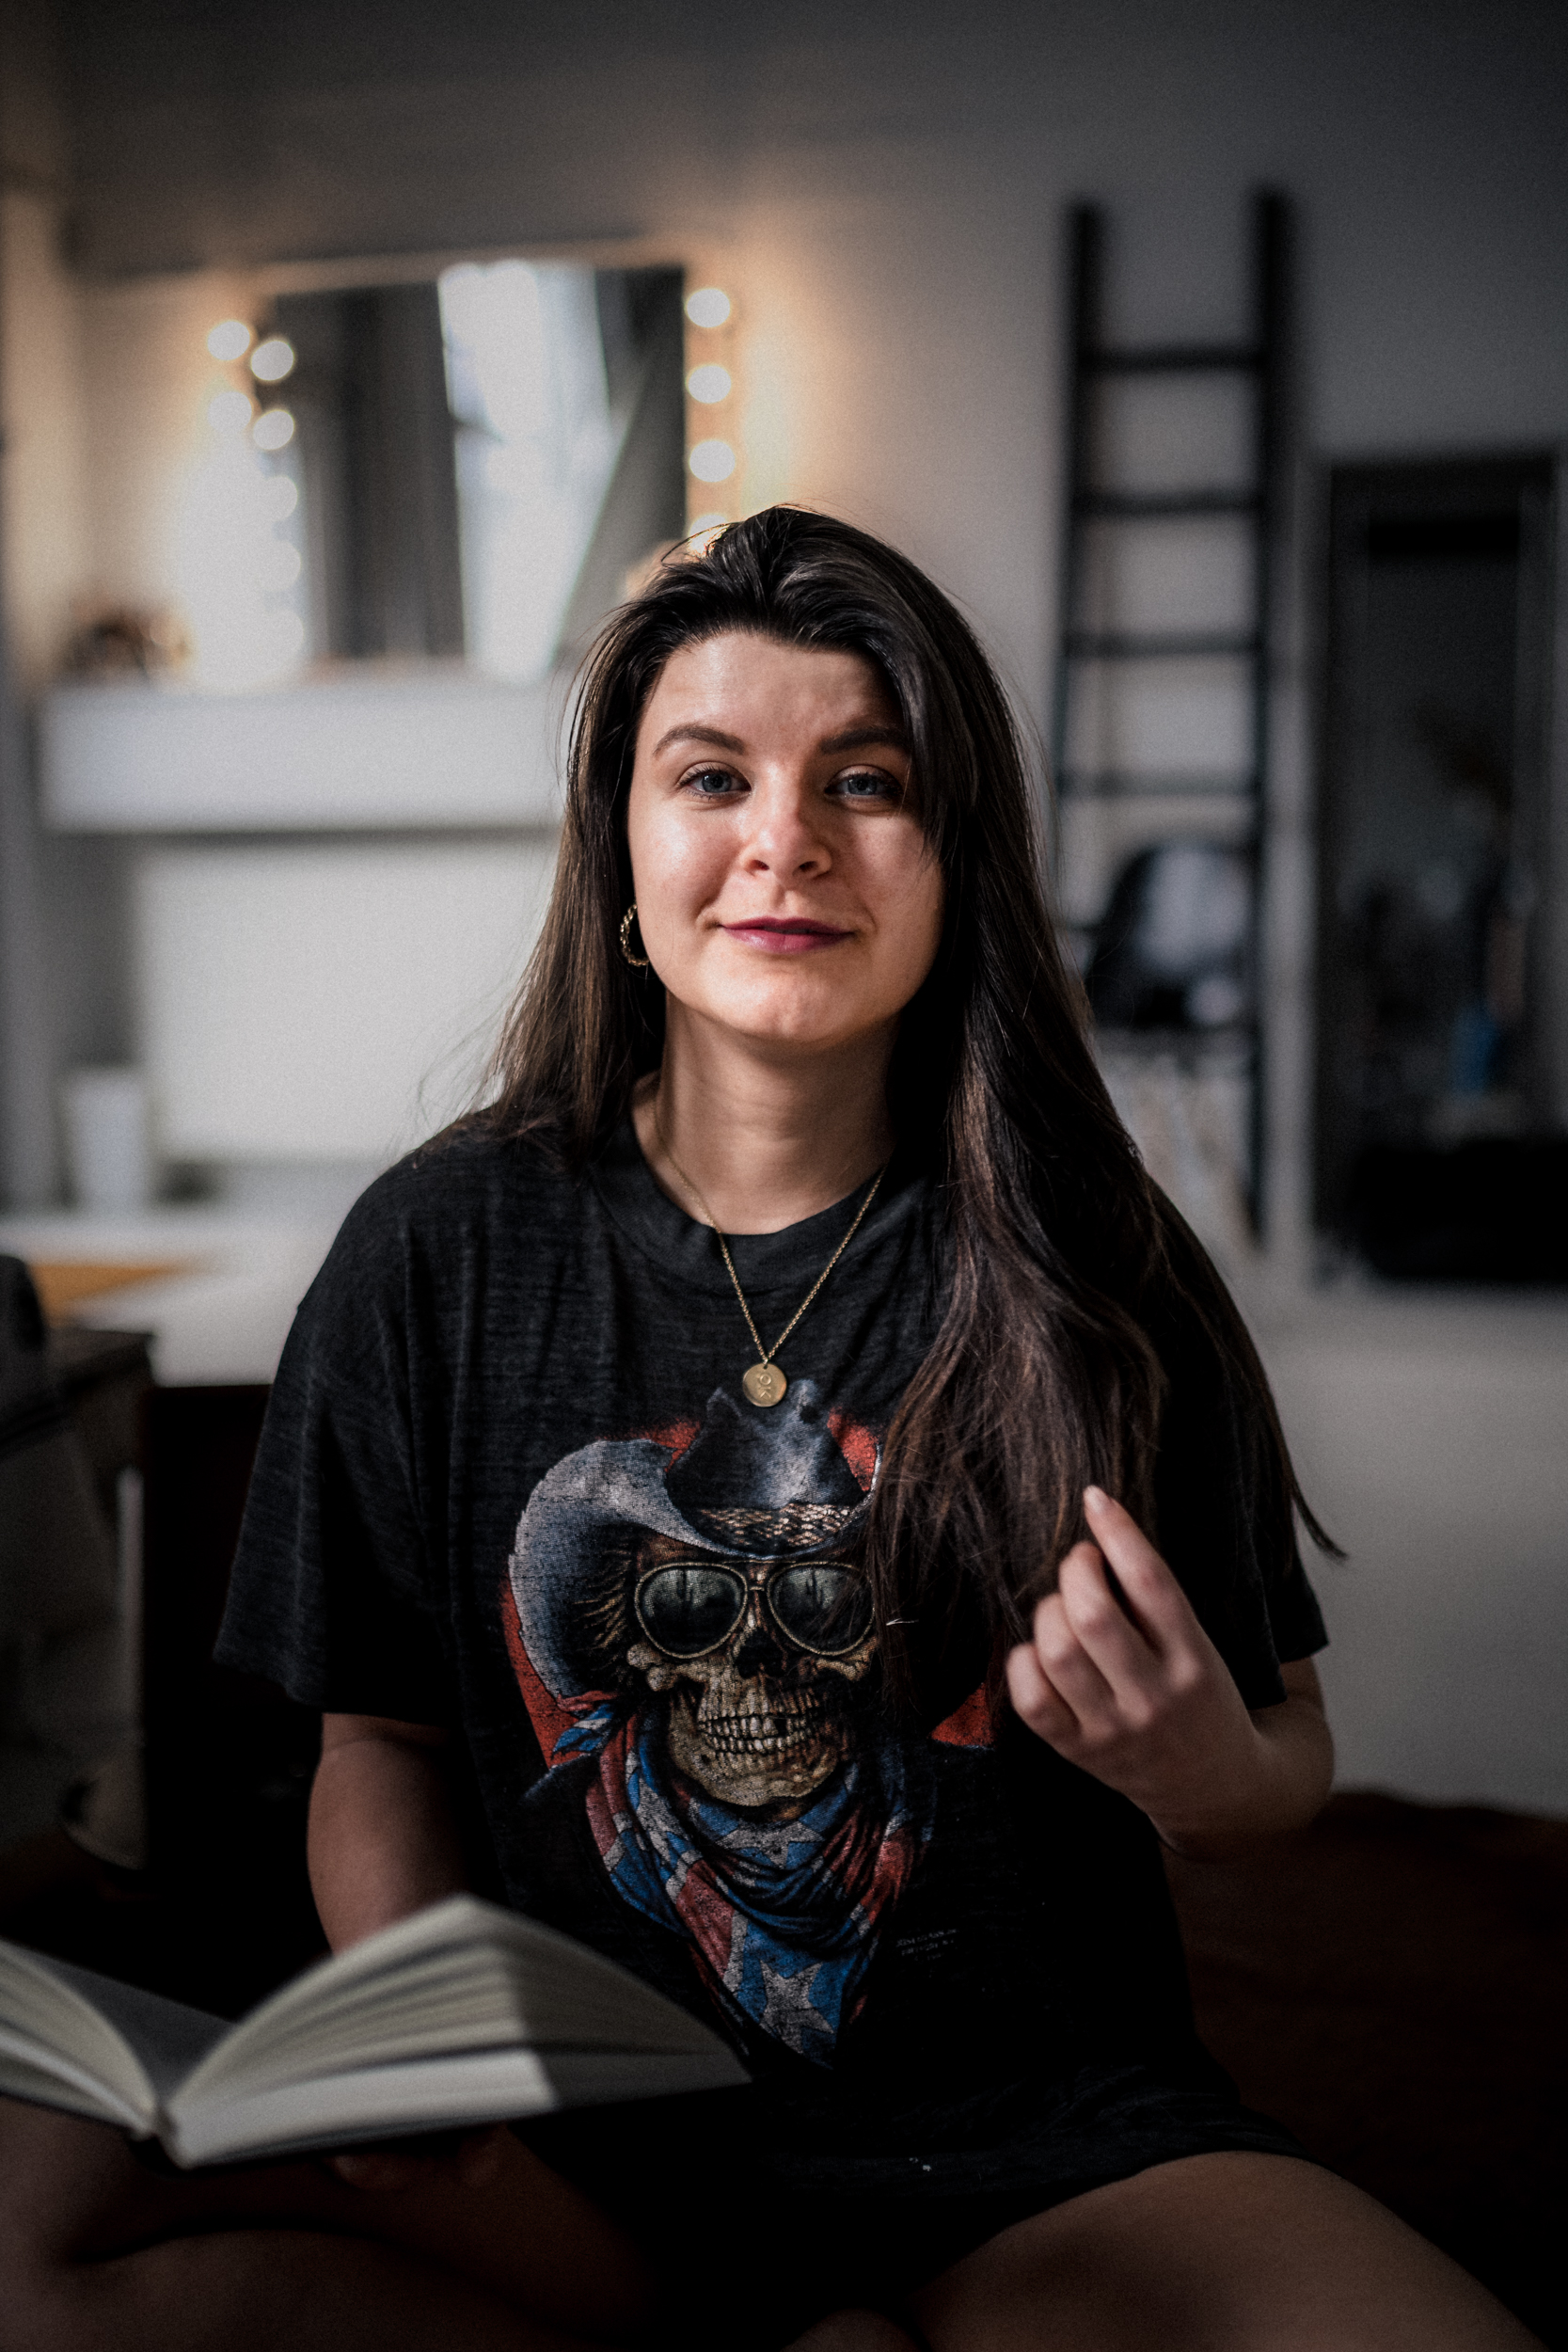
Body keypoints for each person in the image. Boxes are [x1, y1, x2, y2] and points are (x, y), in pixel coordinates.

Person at [0, 509, 1539, 2352]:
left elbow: (1288, 1756)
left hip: (1032, 2164)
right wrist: (410, 2024)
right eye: (712, 775)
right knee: (33, 2223)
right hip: (579, 2167)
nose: (784, 839)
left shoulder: (1098, 1270)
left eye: (865, 781)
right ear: (622, 845)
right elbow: (377, 1738)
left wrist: (1199, 1768)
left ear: (957, 859)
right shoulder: (435, 1252)